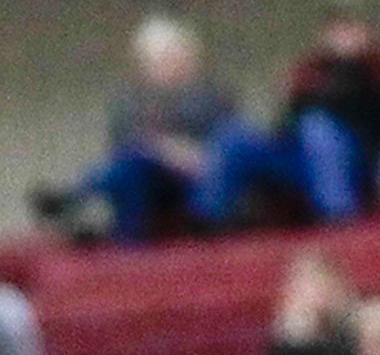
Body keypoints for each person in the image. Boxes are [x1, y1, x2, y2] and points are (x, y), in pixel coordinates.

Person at [82, 14, 294, 243]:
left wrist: (192, 155)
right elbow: (124, 144)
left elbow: (231, 141)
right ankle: (94, 211)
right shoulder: (128, 103)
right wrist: (165, 150)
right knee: (127, 165)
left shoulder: (213, 96)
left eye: (175, 55)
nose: (170, 64)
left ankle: (80, 195)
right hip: (150, 178)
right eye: (161, 58)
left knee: (230, 152)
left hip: (204, 175)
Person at [281, 0, 380, 221]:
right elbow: (289, 121)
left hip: (370, 156)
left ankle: (340, 218)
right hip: (310, 156)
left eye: (351, 27)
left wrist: (349, 70)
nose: (345, 36)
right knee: (313, 130)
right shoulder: (308, 70)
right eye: (338, 29)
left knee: (320, 130)